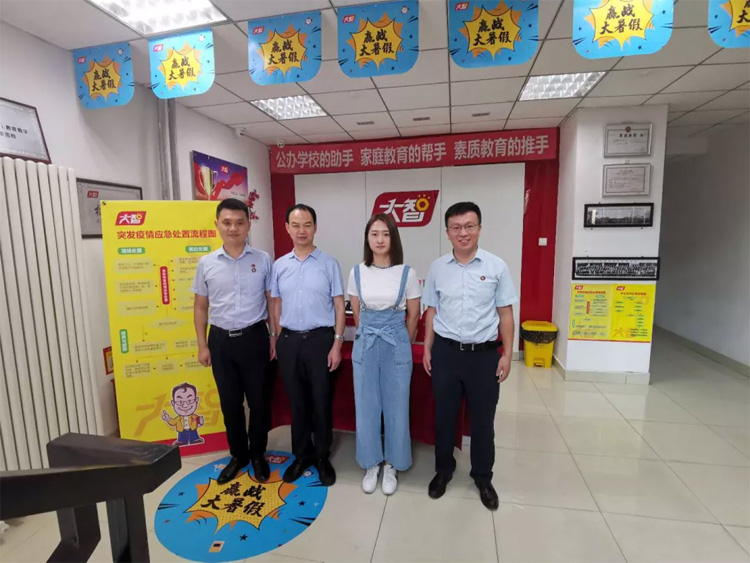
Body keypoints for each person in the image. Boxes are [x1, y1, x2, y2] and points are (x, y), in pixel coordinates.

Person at [421, 201, 517, 510]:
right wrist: (427, 347)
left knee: (482, 421)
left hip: (484, 356)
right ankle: (443, 471)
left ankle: (483, 478)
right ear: (447, 232)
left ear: (479, 229)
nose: (463, 233)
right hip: (446, 353)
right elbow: (431, 311)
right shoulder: (437, 268)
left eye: (469, 226)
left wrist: (507, 354)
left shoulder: (496, 267)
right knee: (444, 417)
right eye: (456, 227)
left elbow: (505, 314)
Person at [192, 198, 275, 485]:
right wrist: (202, 345)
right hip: (221, 341)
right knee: (230, 403)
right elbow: (200, 306)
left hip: (255, 338)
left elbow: (271, 301)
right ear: (217, 224)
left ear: (248, 225)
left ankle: (258, 455)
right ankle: (238, 455)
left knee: (259, 402)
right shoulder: (206, 263)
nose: (233, 228)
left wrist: (273, 336)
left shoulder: (263, 260)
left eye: (239, 222)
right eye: (227, 222)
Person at [271, 203, 346, 487]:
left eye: (307, 225)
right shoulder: (280, 265)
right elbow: (276, 304)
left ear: (315, 227)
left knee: (321, 401)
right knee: (297, 402)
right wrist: (278, 337)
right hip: (289, 341)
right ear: (287, 228)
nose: (301, 230)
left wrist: (337, 344)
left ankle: (322, 456)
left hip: (320, 341)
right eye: (296, 225)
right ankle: (301, 456)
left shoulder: (329, 263)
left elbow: (338, 306)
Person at [348, 214, 421, 495]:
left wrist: (401, 342)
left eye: (386, 234)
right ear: (367, 239)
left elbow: (413, 317)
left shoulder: (407, 273)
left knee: (397, 406)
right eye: (374, 234)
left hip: (396, 343)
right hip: (366, 343)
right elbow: (357, 314)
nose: (380, 239)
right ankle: (371, 462)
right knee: (366, 406)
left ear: (394, 238)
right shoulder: (356, 273)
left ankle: (392, 463)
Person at [161, 382, 205, 446]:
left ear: (196, 400)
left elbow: (199, 420)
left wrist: (201, 421)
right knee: (181, 438)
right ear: (173, 403)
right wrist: (167, 418)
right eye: (180, 402)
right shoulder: (178, 419)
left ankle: (195, 439)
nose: (185, 405)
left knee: (194, 436)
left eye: (190, 401)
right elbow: (173, 422)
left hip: (192, 429)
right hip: (182, 431)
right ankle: (181, 441)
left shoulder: (194, 416)